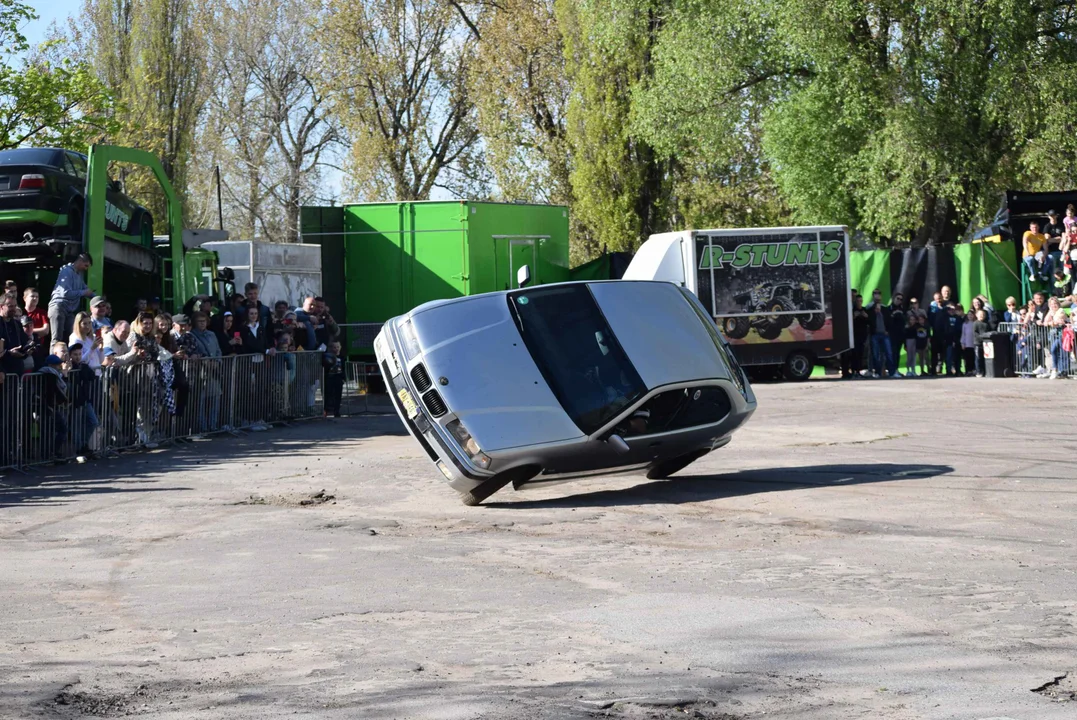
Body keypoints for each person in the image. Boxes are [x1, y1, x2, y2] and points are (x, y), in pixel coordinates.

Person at [66, 341, 99, 456]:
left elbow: (92, 377)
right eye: (75, 354)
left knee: (93, 422)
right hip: (74, 402)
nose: (78, 356)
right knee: (76, 426)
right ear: (70, 355)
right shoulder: (68, 368)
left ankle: (83, 444)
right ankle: (79, 449)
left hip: (85, 400)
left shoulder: (83, 366)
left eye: (80, 354)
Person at [866, 290, 893, 378]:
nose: (877, 296)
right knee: (875, 354)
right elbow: (869, 321)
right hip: (875, 335)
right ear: (873, 295)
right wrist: (875, 310)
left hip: (885, 334)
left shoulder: (885, 308)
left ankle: (892, 372)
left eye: (879, 294)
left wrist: (888, 330)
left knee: (888, 353)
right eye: (875, 294)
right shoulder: (870, 308)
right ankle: (877, 372)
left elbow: (889, 320)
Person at [0, 294, 28, 376]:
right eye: (10, 306)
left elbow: (23, 341)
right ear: (1, 306)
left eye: (15, 306)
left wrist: (26, 350)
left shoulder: (17, 324)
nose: (14, 309)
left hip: (17, 371)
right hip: (3, 371)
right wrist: (8, 352)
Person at [323, 340, 345, 417]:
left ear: (340, 347)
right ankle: (326, 410)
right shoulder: (328, 356)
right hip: (330, 377)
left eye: (338, 347)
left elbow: (344, 367)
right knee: (328, 394)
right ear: (331, 348)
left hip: (338, 378)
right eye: (334, 347)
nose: (336, 349)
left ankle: (337, 411)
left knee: (338, 395)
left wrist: (343, 378)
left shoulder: (342, 357)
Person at [887, 292, 906, 376]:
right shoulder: (889, 308)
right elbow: (887, 321)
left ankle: (896, 370)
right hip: (891, 335)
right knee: (892, 353)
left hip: (900, 335)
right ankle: (891, 371)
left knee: (897, 353)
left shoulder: (902, 309)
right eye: (897, 298)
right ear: (893, 299)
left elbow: (904, 321)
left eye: (901, 299)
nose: (899, 300)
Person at [944, 304, 963, 376]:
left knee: (957, 356)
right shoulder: (944, 318)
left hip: (957, 339)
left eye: (953, 309)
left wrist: (956, 339)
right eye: (949, 309)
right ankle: (948, 370)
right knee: (948, 356)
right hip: (948, 340)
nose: (951, 311)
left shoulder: (958, 318)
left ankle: (958, 370)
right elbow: (944, 329)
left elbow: (960, 329)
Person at [972, 309, 990, 377]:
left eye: (983, 315)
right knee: (978, 357)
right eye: (980, 315)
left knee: (984, 358)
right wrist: (981, 337)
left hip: (985, 343)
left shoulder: (986, 323)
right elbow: (975, 333)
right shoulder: (975, 323)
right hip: (977, 343)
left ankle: (984, 371)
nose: (982, 316)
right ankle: (978, 371)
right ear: (976, 315)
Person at [960, 308, 977, 376]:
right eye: (969, 315)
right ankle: (968, 370)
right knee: (967, 358)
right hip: (967, 344)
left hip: (974, 343)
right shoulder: (965, 324)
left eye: (971, 315)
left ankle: (973, 370)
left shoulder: (975, 323)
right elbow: (963, 334)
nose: (970, 316)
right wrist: (962, 343)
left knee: (973, 358)